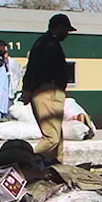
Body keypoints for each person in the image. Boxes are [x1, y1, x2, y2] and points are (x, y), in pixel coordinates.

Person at [21, 14, 76, 162]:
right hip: (48, 91)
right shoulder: (50, 45)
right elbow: (41, 69)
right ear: (59, 27)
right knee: (52, 137)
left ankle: (55, 169)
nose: (67, 34)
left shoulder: (41, 42)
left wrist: (27, 89)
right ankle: (26, 165)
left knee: (57, 138)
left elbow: (31, 68)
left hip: (45, 90)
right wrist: (30, 89)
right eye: (66, 30)